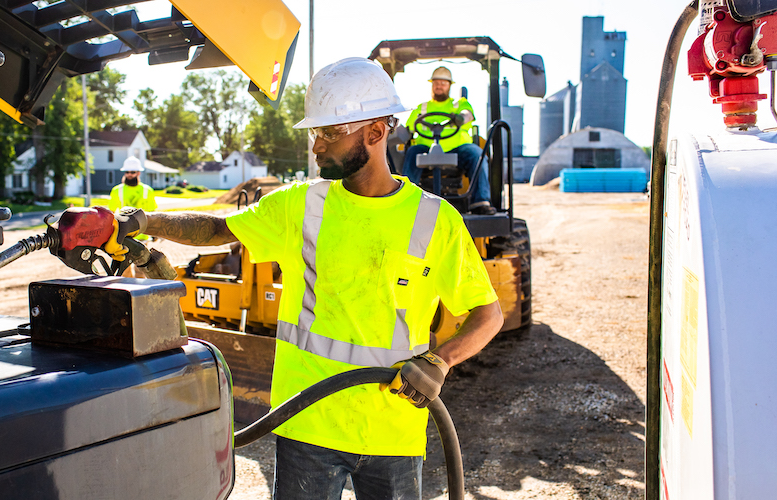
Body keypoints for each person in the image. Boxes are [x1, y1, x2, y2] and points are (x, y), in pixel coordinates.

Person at [108, 57, 504, 499]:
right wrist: (144, 222)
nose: (317, 147)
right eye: (316, 133)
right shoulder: (300, 204)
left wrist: (441, 360)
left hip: (392, 427)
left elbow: (488, 314)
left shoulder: (435, 220)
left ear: (375, 132)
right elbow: (221, 229)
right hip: (307, 422)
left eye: (330, 133)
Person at [402, 66, 494, 214]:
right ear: (432, 85)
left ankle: (480, 201)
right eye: (436, 82)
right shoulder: (422, 108)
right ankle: (406, 200)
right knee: (412, 152)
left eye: (443, 83)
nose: (439, 86)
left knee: (477, 154)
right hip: (426, 149)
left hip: (458, 150)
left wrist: (460, 118)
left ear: (449, 86)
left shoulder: (459, 104)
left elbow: (467, 115)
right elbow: (409, 128)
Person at [109, 156, 157, 241]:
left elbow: (152, 213)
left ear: (139, 173)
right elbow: (111, 213)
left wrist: (155, 232)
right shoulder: (117, 190)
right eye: (127, 172)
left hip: (143, 235)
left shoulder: (148, 190)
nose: (129, 174)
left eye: (132, 172)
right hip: (124, 236)